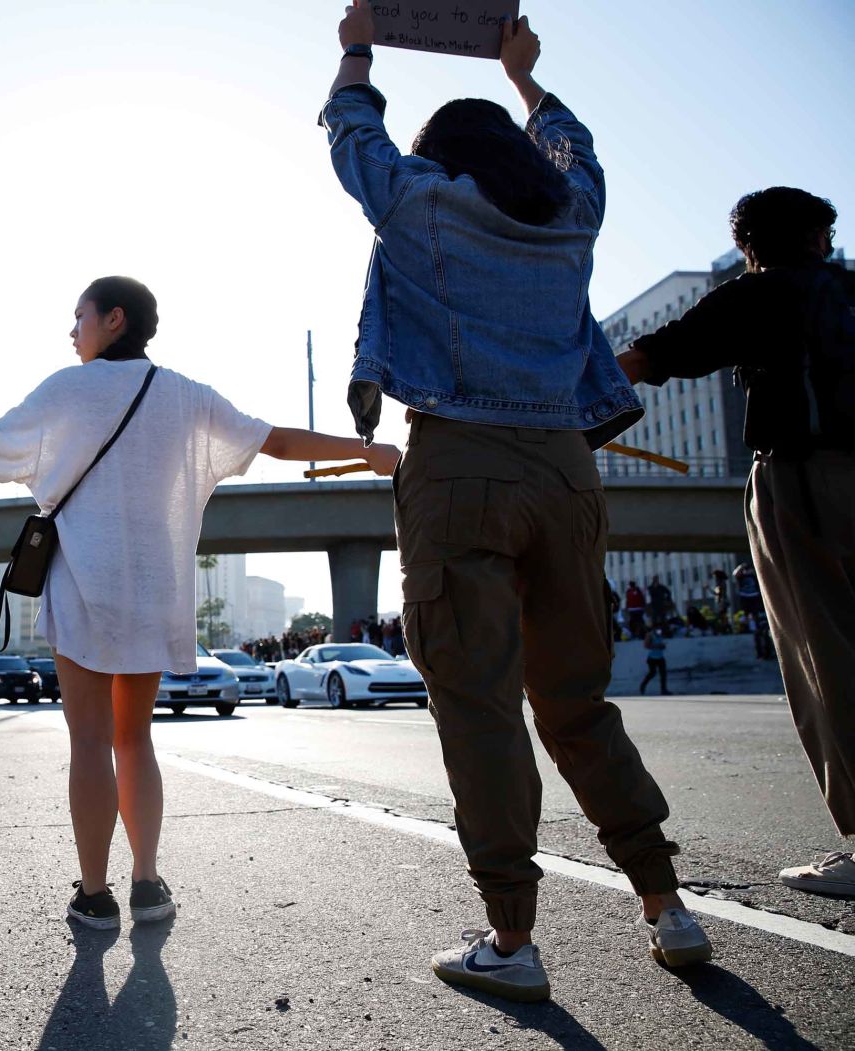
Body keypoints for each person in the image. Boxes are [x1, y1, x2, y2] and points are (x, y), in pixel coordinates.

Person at [322, 3, 712, 1002]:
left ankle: (511, 936)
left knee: (480, 707)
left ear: (436, 155)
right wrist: (525, 76)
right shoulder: (568, 217)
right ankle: (666, 905)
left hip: (459, 468)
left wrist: (357, 46)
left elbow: (352, 136)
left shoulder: (417, 201)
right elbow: (578, 154)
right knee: (577, 703)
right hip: (564, 472)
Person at [0, 275, 398, 930]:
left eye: (79, 316)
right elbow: (276, 440)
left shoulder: (67, 388)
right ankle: (147, 881)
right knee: (133, 736)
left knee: (89, 741)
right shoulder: (184, 395)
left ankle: (95, 893)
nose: (72, 330)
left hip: (82, 586)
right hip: (153, 588)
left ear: (113, 318)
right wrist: (367, 453)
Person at [617, 185, 855, 898]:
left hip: (806, 477)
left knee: (830, 654)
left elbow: (647, 359)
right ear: (820, 236)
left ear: (750, 245)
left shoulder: (755, 296)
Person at [639, 629, 671, 696]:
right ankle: (642, 686)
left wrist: (663, 646)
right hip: (652, 658)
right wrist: (657, 646)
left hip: (660, 657)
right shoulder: (650, 635)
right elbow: (646, 646)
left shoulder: (660, 634)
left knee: (663, 674)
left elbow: (663, 644)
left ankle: (663, 690)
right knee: (652, 673)